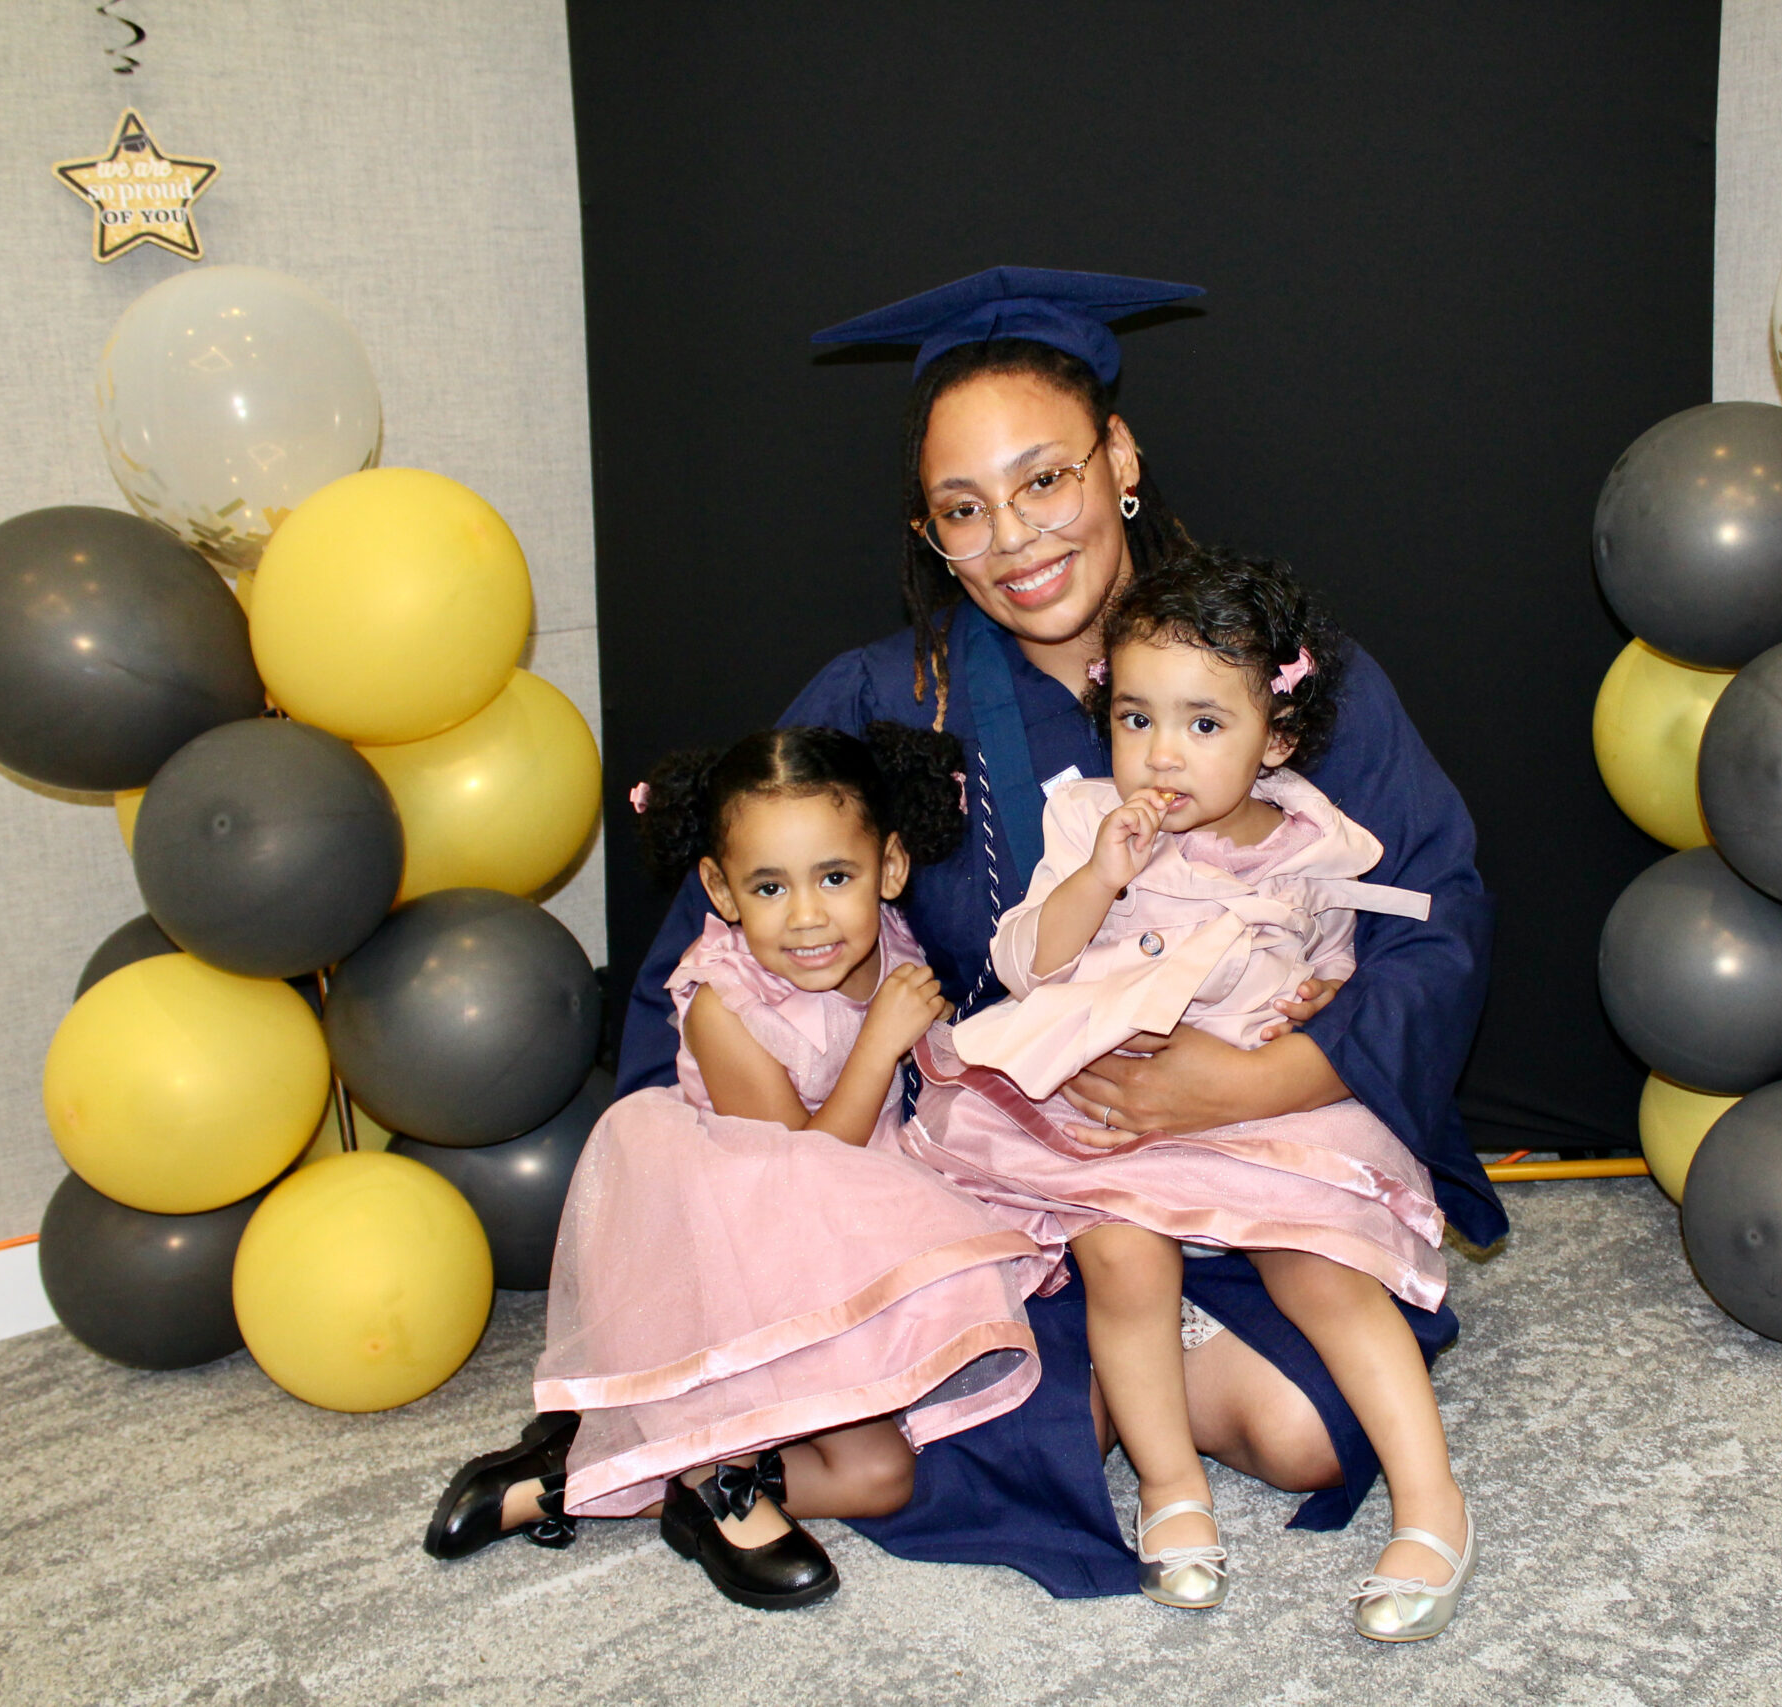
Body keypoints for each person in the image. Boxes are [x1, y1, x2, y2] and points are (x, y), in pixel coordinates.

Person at [436, 267, 1505, 1601]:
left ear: (1117, 459)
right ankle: (758, 1418)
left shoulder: (1270, 671)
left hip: (1260, 1145)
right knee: (1040, 1386)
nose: (1014, 538)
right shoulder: (887, 698)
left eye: (1044, 480)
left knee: (1305, 1434)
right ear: (931, 530)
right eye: (964, 507)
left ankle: (906, 1405)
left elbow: (1436, 910)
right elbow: (716, 965)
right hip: (1002, 1182)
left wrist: (1255, 1078)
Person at [908, 547, 1474, 1639]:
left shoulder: (1316, 837)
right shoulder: (1085, 823)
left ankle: (1432, 1500)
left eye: (1205, 725)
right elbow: (1026, 962)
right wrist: (1097, 880)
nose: (1163, 754)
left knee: (1323, 1264)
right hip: (1111, 1111)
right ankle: (1171, 1492)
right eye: (1135, 719)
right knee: (1122, 1253)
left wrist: (1320, 994)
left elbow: (1341, 954)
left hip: (1258, 1113)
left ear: (1279, 737)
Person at [426, 724, 1057, 1612]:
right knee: (876, 1472)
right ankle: (624, 1470)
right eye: (770, 886)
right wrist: (878, 1046)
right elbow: (799, 1174)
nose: (807, 916)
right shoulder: (726, 1003)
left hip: (842, 1240)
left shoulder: (887, 941)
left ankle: (646, 1476)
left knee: (887, 1469)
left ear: (891, 867)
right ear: (721, 890)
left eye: (836, 877)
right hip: (740, 1260)